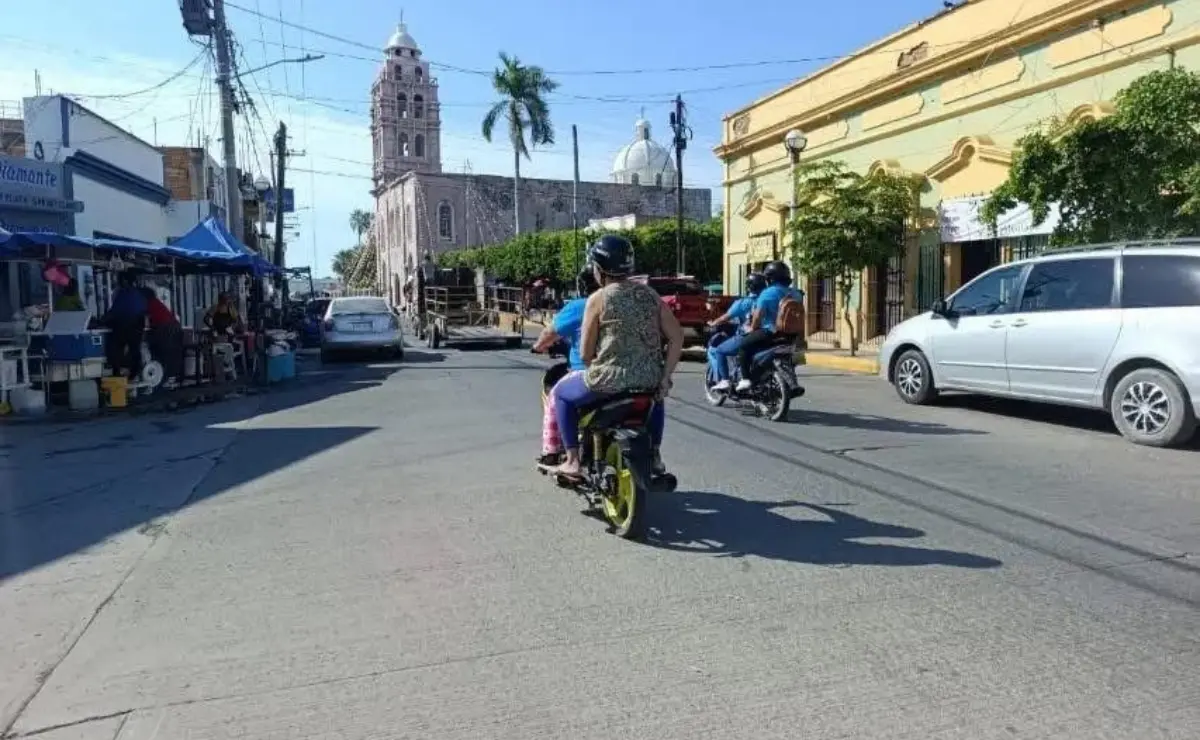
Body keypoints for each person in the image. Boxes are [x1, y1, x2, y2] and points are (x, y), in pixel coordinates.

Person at [552, 235, 684, 479]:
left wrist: (595, 366)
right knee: (655, 397)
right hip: (648, 378)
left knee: (561, 394)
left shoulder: (598, 298)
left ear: (599, 269)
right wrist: (665, 376)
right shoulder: (650, 295)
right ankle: (654, 454)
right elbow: (677, 336)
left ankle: (572, 460)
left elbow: (585, 353)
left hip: (607, 380)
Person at [532, 265, 599, 464]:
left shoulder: (580, 306)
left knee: (556, 396)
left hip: (587, 372)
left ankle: (553, 452)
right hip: (623, 372)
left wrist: (538, 347)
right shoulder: (620, 304)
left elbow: (549, 333)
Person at [734, 260, 805, 392]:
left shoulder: (767, 293)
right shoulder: (796, 294)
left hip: (771, 332)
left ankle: (745, 379)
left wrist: (752, 328)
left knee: (743, 345)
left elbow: (758, 316)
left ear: (770, 278)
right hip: (790, 335)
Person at [707, 272, 766, 392]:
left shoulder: (744, 303)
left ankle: (725, 380)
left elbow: (726, 317)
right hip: (766, 336)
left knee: (720, 351)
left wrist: (713, 323)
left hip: (747, 335)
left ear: (749, 287)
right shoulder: (767, 299)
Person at [102, 272, 148, 380]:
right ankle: (135, 373)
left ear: (125, 281)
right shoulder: (139, 294)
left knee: (114, 347)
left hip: (125, 325)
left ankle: (116, 372)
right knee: (134, 349)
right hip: (137, 326)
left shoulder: (123, 294)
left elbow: (114, 311)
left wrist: (102, 320)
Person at [139, 286, 183, 383]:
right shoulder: (155, 303)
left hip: (165, 327)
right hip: (173, 326)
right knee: (168, 352)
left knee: (160, 352)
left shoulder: (148, 303)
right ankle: (167, 376)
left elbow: (143, 318)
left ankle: (161, 377)